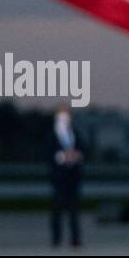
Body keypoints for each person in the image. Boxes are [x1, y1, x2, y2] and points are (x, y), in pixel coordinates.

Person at [48, 105, 85, 248]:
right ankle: (56, 239)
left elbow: (83, 148)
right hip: (59, 179)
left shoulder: (74, 133)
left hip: (74, 178)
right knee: (57, 210)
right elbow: (49, 154)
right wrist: (63, 156)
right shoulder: (52, 135)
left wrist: (77, 155)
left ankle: (75, 239)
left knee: (74, 211)